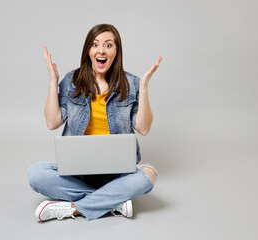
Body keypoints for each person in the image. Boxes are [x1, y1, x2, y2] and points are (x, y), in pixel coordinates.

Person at [28, 24, 162, 221]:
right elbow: (52, 122)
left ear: (116, 52)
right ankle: (113, 200)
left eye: (108, 45)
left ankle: (74, 208)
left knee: (149, 174)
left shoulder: (131, 83)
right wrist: (52, 82)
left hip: (117, 174)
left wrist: (143, 88)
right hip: (77, 173)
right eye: (95, 45)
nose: (101, 50)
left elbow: (143, 128)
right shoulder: (71, 80)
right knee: (36, 173)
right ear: (88, 51)